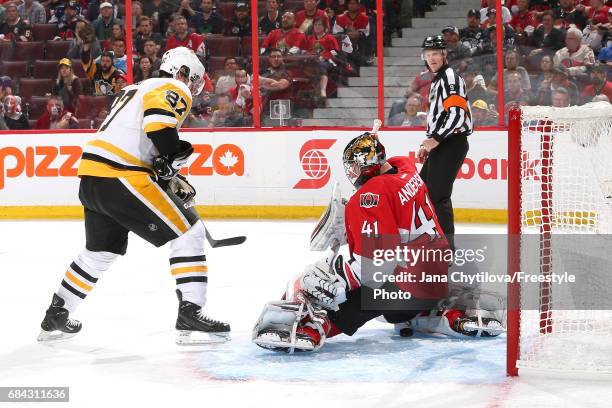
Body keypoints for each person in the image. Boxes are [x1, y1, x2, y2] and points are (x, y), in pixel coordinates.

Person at [37, 47, 231, 345]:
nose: (192, 87)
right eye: (191, 79)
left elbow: (138, 137)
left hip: (92, 178)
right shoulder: (172, 86)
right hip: (121, 176)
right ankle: (191, 310)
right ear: (181, 72)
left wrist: (166, 168)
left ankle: (57, 312)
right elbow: (158, 127)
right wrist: (173, 158)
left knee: (100, 252)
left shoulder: (135, 87)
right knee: (189, 231)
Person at [252, 133, 503, 352]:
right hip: (438, 279)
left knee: (334, 290)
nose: (352, 173)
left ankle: (316, 326)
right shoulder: (406, 169)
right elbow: (391, 193)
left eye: (353, 167)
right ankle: (438, 312)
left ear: (364, 166)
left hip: (405, 294)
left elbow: (374, 268)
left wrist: (334, 275)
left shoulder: (369, 196)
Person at [417, 35, 473, 252]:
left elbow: (457, 115)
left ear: (444, 54)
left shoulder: (449, 78)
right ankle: (430, 241)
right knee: (422, 191)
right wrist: (428, 144)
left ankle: (445, 249)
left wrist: (435, 140)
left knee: (438, 196)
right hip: (443, 143)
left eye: (435, 54)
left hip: (451, 143)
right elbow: (441, 117)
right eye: (428, 55)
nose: (431, 59)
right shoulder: (439, 79)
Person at [306, 16, 340, 98]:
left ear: (324, 27)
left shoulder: (330, 37)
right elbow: (306, 50)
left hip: (329, 61)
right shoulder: (309, 38)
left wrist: (324, 56)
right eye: (315, 25)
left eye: (319, 25)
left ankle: (323, 90)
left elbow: (335, 52)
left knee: (321, 64)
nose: (317, 27)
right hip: (313, 60)